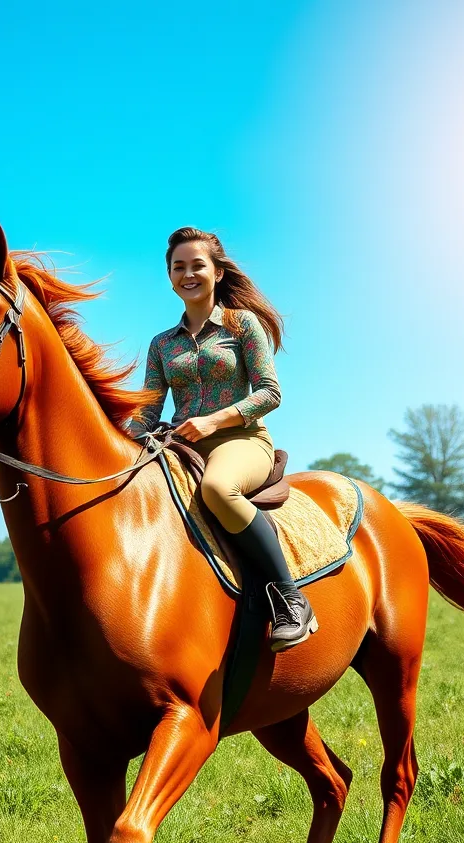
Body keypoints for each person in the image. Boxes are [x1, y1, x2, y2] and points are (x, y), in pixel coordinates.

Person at [126, 227, 317, 651]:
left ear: (216, 272)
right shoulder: (161, 344)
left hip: (243, 441)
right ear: (169, 276)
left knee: (217, 488)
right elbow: (149, 410)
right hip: (180, 446)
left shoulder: (242, 324)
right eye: (179, 267)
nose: (187, 274)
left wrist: (214, 422)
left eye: (197, 265)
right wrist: (125, 437)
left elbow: (270, 392)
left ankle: (290, 598)